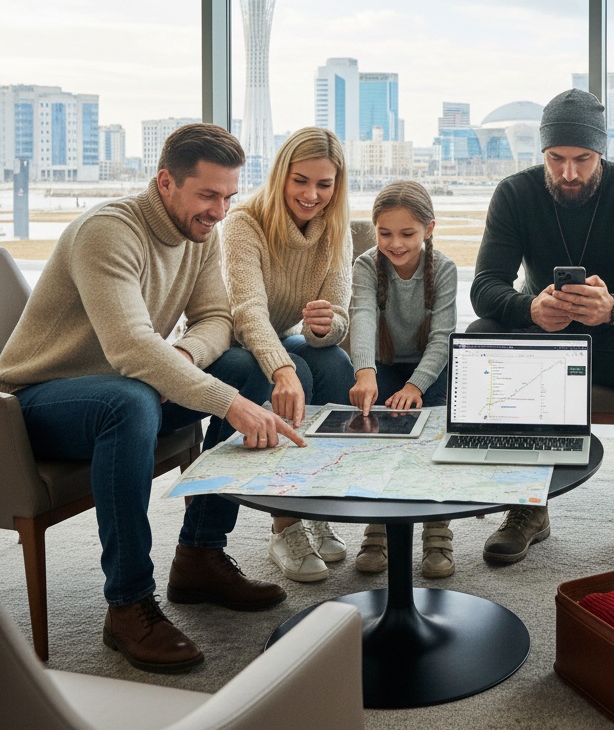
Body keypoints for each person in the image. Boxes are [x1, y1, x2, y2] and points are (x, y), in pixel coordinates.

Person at [0, 124, 303, 674]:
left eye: (229, 196)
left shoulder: (201, 235)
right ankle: (128, 604)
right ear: (165, 182)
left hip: (129, 384)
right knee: (132, 401)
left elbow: (216, 319)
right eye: (208, 195)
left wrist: (183, 361)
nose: (219, 210)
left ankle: (200, 555)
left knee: (247, 364)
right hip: (34, 403)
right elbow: (130, 347)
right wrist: (225, 403)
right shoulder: (107, 231)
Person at [469, 88, 614, 566]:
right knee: (480, 331)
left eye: (583, 160)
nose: (569, 173)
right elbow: (485, 287)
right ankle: (524, 500)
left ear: (602, 152)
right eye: (556, 159)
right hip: (545, 343)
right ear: (543, 152)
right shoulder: (515, 193)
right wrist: (529, 308)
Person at [220, 127, 355, 583]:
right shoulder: (244, 223)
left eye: (324, 184)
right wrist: (282, 369)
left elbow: (337, 321)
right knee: (295, 368)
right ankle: (285, 523)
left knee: (334, 363)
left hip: (278, 336)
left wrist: (324, 326)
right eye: (301, 180)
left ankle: (315, 500)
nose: (312, 194)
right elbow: (247, 314)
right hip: (227, 342)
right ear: (281, 176)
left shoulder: (334, 230)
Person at [348, 181, 459, 578]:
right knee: (378, 437)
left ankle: (436, 530)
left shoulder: (444, 269)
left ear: (429, 229)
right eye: (385, 233)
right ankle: (377, 528)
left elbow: (443, 337)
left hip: (431, 369)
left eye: (407, 234)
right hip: (383, 365)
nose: (395, 243)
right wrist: (365, 371)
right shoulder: (365, 265)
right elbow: (361, 316)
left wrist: (416, 386)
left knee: (433, 438)